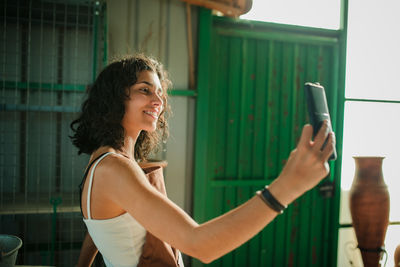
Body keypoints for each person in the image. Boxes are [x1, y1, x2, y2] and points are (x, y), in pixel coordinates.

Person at [70, 54, 335, 267]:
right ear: (114, 98)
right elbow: (199, 245)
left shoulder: (106, 161)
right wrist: (288, 186)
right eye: (144, 89)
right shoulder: (115, 168)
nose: (158, 101)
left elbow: (100, 226)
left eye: (160, 92)